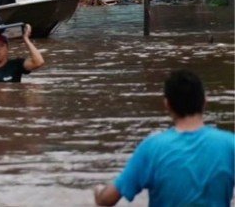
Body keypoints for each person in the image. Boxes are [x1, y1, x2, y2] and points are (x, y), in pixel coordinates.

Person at [93, 69, 234, 206]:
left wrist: (98, 191)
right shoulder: (230, 145)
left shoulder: (151, 147)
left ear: (167, 105)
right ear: (204, 102)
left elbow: (107, 200)